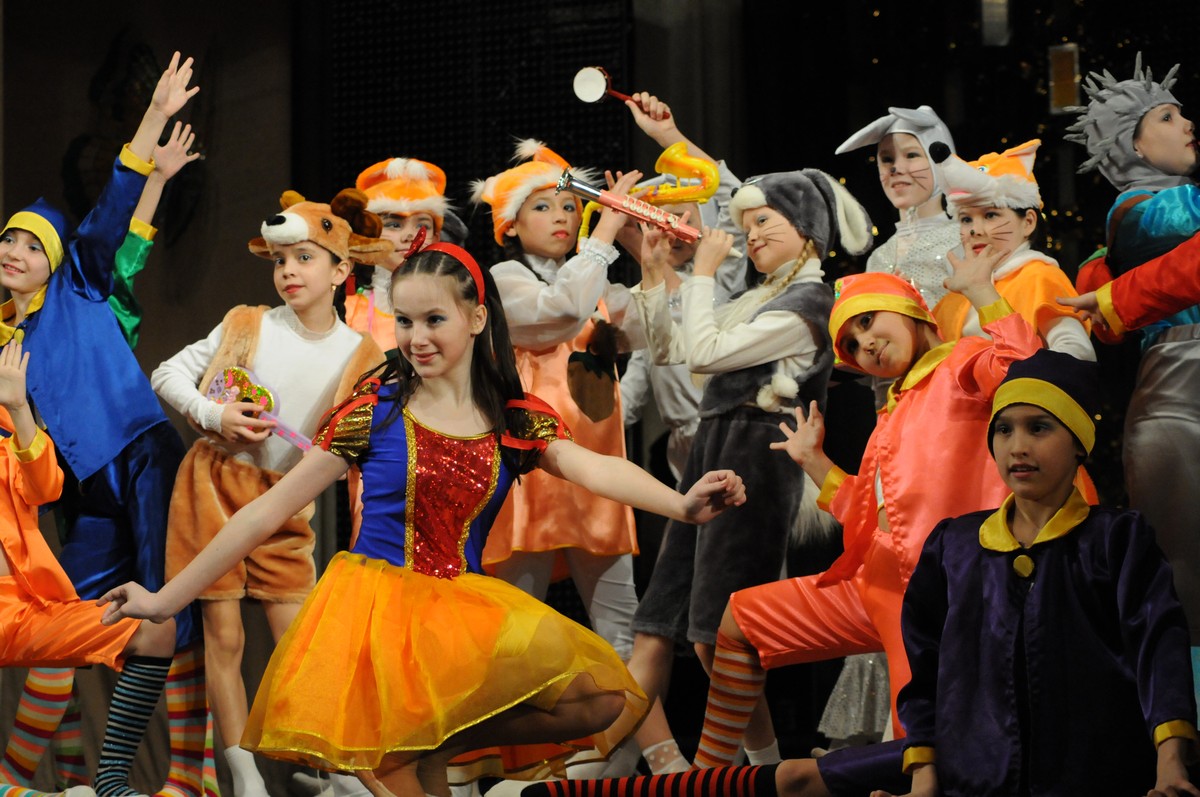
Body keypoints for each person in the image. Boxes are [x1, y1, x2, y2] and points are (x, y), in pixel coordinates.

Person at [98, 242, 746, 797]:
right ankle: (408, 745)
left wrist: (681, 504)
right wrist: (164, 599)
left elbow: (593, 468)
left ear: (476, 317)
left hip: (458, 615)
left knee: (600, 700)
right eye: (405, 321)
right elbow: (264, 512)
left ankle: (437, 737)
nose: (416, 337)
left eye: (435, 318)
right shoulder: (374, 413)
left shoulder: (511, 420)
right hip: (376, 619)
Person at [0, 52, 198, 797]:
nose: (16, 252)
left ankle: (173, 774)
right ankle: (61, 777)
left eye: (32, 244)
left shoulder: (81, 283)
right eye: (8, 239)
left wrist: (153, 119)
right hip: (79, 488)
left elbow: (118, 214)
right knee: (73, 618)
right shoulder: (2, 342)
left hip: (139, 455)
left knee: (165, 611)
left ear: (56, 258)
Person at [875, 349, 1198, 797]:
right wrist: (923, 781)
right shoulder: (954, 546)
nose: (1018, 446)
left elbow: (1159, 649)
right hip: (974, 784)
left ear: (1079, 442)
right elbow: (925, 673)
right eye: (1004, 429)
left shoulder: (1116, 539)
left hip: (1099, 780)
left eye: (1039, 427)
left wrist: (1170, 765)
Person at [151, 190, 388, 797]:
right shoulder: (248, 323)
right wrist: (214, 414)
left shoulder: (362, 354)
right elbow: (167, 372)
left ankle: (341, 773)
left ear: (341, 269)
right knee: (224, 638)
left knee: (300, 644)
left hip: (285, 504)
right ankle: (245, 776)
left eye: (305, 258)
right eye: (281, 260)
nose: (288, 271)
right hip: (214, 486)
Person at [633, 167, 871, 767]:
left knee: (722, 632)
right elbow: (670, 349)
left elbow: (705, 353)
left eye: (764, 220)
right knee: (698, 632)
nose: (752, 234)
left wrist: (702, 273)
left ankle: (741, 771)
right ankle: (766, 772)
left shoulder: (810, 303)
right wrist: (655, 272)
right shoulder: (760, 298)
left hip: (758, 458)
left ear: (806, 227)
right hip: (715, 450)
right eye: (746, 224)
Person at [473, 143, 646, 748]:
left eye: (571, 206)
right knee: (519, 638)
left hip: (598, 478)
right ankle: (512, 764)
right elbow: (560, 311)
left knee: (622, 634)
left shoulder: (596, 281)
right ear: (511, 224)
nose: (563, 217)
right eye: (543, 206)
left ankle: (614, 767)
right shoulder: (502, 281)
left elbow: (661, 336)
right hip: (532, 477)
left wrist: (652, 257)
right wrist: (607, 232)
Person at [1060, 57, 1200, 696]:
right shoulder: (1142, 213)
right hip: (1181, 397)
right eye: (1168, 117)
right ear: (1133, 147)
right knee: (1186, 583)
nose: (1187, 123)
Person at [929, 139, 1095, 362]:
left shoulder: (1039, 277)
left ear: (1028, 222)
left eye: (990, 215)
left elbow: (1077, 355)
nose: (975, 230)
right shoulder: (957, 294)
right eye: (966, 219)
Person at [346, 157, 461, 354]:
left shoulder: (456, 303)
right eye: (394, 225)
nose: (410, 235)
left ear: (436, 236)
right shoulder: (348, 308)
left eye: (422, 225)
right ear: (369, 233)